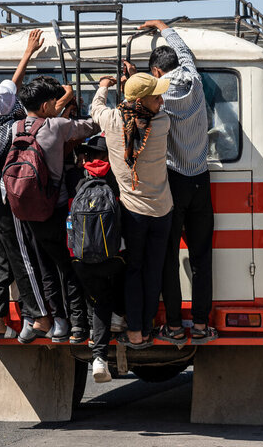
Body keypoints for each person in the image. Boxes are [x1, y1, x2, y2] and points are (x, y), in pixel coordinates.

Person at [138, 19, 217, 344]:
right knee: (202, 257)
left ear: (156, 74)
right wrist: (165, 28)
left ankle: (173, 326)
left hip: (172, 184)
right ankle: (200, 325)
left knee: (169, 257)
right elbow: (185, 55)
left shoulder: (160, 102)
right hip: (201, 181)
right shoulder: (195, 81)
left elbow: (138, 106)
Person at [14, 76, 100, 344]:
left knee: (46, 268)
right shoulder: (56, 126)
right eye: (52, 102)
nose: (56, 105)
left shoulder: (16, 127)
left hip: (26, 209)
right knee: (68, 266)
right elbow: (92, 126)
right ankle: (77, 324)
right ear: (44, 105)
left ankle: (58, 321)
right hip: (56, 208)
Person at [90, 73, 172, 349]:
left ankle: (136, 332)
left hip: (132, 213)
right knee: (154, 271)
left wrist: (103, 87)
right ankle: (147, 329)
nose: (161, 101)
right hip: (163, 211)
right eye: (156, 96)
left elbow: (96, 108)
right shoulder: (162, 123)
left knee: (134, 270)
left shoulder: (112, 121)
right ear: (142, 100)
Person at [0, 29, 52, 339]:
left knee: (1, 259)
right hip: (9, 200)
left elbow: (13, 87)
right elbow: (16, 89)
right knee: (23, 258)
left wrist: (25, 53)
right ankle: (39, 317)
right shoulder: (15, 129)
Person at [67, 135, 126, 382]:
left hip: (80, 259)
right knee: (123, 277)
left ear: (86, 157)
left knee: (97, 295)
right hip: (111, 259)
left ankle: (97, 349)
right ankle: (120, 318)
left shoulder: (74, 180)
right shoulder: (118, 179)